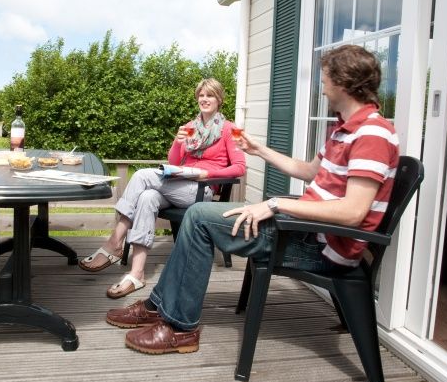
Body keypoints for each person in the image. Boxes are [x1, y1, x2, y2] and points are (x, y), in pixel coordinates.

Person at [104, 44, 400, 354]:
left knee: (198, 217)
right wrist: (260, 150)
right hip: (302, 229)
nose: (322, 88)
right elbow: (308, 170)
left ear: (343, 81)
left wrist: (275, 204)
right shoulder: (343, 131)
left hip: (316, 245)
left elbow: (353, 212)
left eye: (325, 79)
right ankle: (159, 306)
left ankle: (179, 326)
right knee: (198, 216)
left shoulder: (373, 134)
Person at [79, 78, 246, 299]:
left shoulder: (231, 129)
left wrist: (208, 174)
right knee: (147, 197)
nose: (204, 99)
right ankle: (137, 273)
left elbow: (240, 167)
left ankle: (114, 243)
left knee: (140, 175)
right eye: (201, 95)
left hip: (201, 191)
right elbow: (174, 160)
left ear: (219, 99)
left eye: (210, 95)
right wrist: (178, 143)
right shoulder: (190, 126)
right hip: (179, 184)